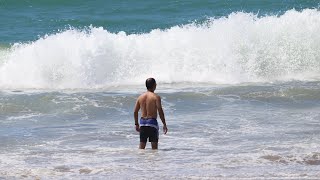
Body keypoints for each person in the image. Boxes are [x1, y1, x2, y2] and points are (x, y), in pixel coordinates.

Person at [134, 78, 168, 149]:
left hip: (142, 123)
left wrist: (136, 124)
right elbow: (160, 110)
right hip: (152, 123)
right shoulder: (156, 97)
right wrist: (164, 124)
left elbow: (135, 111)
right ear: (154, 85)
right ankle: (154, 160)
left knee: (141, 148)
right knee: (154, 149)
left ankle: (140, 160)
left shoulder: (140, 97)